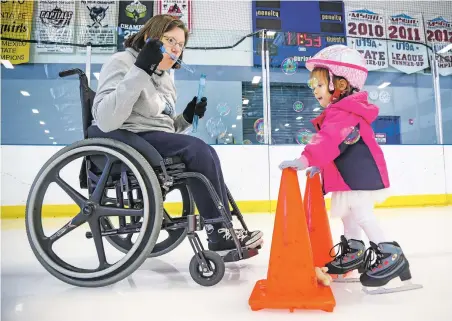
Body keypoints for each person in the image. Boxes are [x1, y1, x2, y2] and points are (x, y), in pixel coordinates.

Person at [88, 14, 263, 253]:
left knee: (202, 150)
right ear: (151, 38)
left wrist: (186, 118)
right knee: (198, 150)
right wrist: (141, 69)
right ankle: (218, 231)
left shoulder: (167, 78)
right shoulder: (121, 62)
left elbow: (165, 128)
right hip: (127, 140)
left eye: (181, 45)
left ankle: (223, 227)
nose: (176, 49)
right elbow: (106, 119)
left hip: (150, 141)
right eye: (170, 41)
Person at [279, 45, 413, 288]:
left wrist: (306, 159)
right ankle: (355, 251)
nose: (314, 91)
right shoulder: (340, 111)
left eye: (319, 85)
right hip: (347, 177)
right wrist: (321, 166)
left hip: (359, 177)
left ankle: (390, 253)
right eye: (313, 86)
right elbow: (339, 146)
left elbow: (329, 139)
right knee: (348, 216)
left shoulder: (344, 112)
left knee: (361, 214)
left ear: (339, 84)